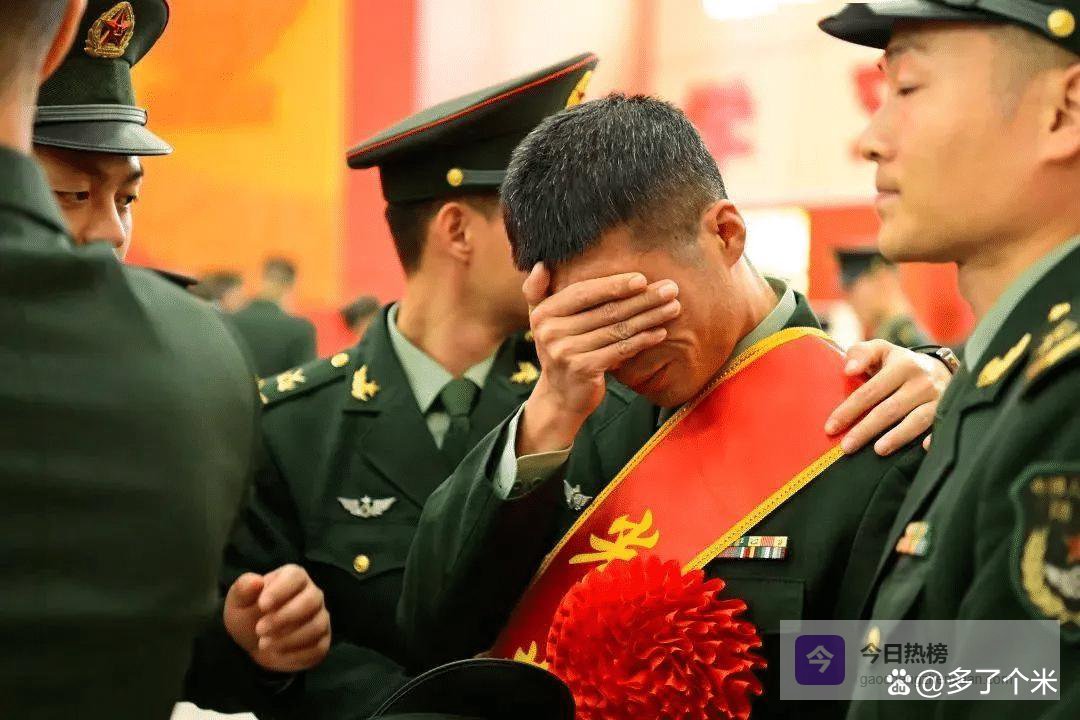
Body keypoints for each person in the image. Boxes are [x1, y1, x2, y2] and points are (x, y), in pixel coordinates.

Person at [398, 94, 957, 719]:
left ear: (725, 233)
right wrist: (549, 412)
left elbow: (970, 670)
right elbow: (430, 633)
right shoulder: (571, 417)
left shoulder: (881, 415)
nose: (625, 348)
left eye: (640, 308)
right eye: (588, 318)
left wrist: (718, 672)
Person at [194, 53, 601, 719]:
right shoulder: (289, 427)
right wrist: (261, 641)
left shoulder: (594, 406)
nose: (571, 244)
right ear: (458, 231)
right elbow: (218, 663)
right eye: (541, 217)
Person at [0, 0, 319, 716]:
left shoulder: (178, 359)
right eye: (72, 194)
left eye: (127, 198)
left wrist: (241, 637)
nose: (113, 231)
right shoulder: (190, 350)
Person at [819, 2, 1080, 718]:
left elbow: (1031, 679)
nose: (870, 140)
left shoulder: (1063, 395)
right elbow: (986, 665)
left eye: (908, 88)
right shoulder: (994, 377)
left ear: (1063, 113)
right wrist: (784, 668)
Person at [231, 257, 318, 376]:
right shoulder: (299, 329)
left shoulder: (229, 320)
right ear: (291, 286)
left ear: (262, 279)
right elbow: (306, 377)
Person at [836, 247, 931, 347]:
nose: (849, 300)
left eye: (851, 288)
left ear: (882, 277)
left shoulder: (905, 344)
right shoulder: (891, 339)